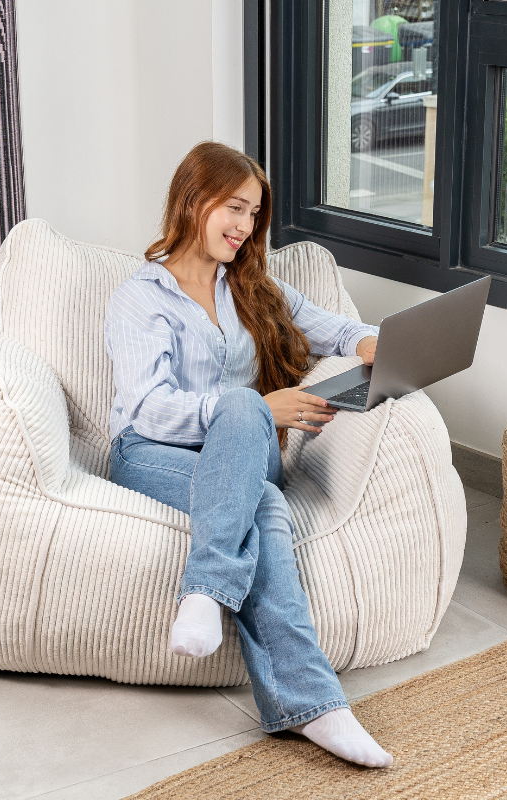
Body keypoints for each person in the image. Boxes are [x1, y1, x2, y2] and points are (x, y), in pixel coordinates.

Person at [104, 141, 392, 768]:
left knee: (243, 414)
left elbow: (338, 328)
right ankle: (317, 707)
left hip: (244, 452)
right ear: (192, 200)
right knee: (258, 487)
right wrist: (260, 409)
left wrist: (370, 342)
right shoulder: (140, 298)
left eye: (253, 213)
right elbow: (148, 409)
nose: (244, 226)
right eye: (233, 207)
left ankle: (205, 592)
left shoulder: (253, 287)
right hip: (151, 455)